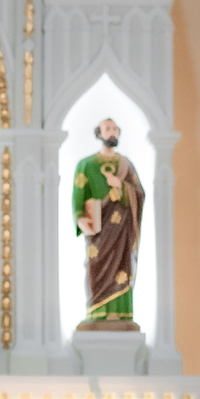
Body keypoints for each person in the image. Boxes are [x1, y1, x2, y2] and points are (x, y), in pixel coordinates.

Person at [72, 118, 144, 325]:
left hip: (122, 229)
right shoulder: (86, 165)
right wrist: (80, 219)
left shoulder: (126, 165)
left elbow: (139, 193)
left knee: (122, 268)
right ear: (99, 134)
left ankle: (121, 314)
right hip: (98, 231)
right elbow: (78, 195)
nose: (111, 133)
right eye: (107, 129)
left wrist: (121, 188)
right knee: (95, 267)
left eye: (114, 129)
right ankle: (95, 312)